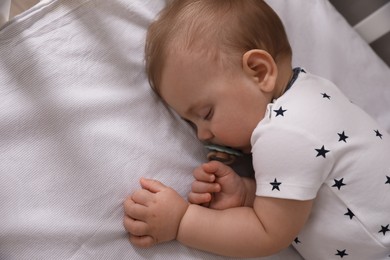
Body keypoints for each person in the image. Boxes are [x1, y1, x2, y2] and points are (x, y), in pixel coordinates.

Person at [123, 0, 390, 258]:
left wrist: (182, 221)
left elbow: (267, 233)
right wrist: (248, 193)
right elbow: (305, 196)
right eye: (192, 124)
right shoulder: (313, 92)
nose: (202, 135)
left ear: (259, 72)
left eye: (206, 114)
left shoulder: (282, 133)